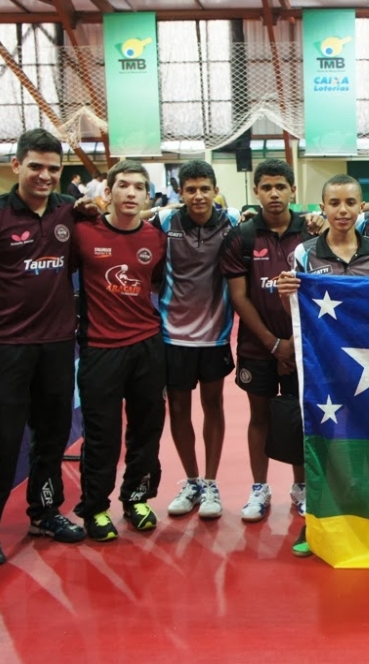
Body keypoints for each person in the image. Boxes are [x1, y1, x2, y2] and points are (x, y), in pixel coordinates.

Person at [0, 128, 90, 566]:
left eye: (53, 168)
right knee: (1, 439)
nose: (45, 175)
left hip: (57, 346)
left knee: (51, 436)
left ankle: (44, 512)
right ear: (16, 165)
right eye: (36, 166)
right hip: (4, 346)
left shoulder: (70, 210)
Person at [277, 174, 369, 558]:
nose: (342, 210)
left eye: (350, 203)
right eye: (334, 203)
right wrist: (284, 294)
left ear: (362, 207)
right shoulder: (304, 254)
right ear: (322, 208)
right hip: (324, 365)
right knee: (325, 442)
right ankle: (319, 523)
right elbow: (296, 313)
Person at [73, 160, 167, 541]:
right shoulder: (83, 232)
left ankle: (137, 498)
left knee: (147, 429)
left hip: (147, 345)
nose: (131, 193)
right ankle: (95, 507)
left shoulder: (156, 239)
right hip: (100, 348)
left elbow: (156, 284)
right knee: (102, 434)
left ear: (146, 195)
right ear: (108, 192)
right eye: (123, 185)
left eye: (139, 187)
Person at [218, 159, 311, 526]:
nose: (274, 194)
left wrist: (293, 344)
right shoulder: (240, 237)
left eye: (281, 187)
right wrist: (274, 345)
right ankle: (259, 488)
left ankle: (301, 487)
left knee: (300, 417)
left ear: (293, 190)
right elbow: (239, 298)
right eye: (267, 187)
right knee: (259, 417)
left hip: (301, 348)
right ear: (256, 191)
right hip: (257, 347)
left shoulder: (310, 234)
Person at [159, 160, 241, 519]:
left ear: (215, 190)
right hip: (172, 335)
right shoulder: (165, 221)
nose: (198, 196)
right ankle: (191, 481)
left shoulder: (232, 220)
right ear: (180, 192)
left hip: (215, 335)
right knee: (178, 408)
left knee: (213, 405)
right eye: (190, 190)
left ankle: (210, 483)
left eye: (204, 189)